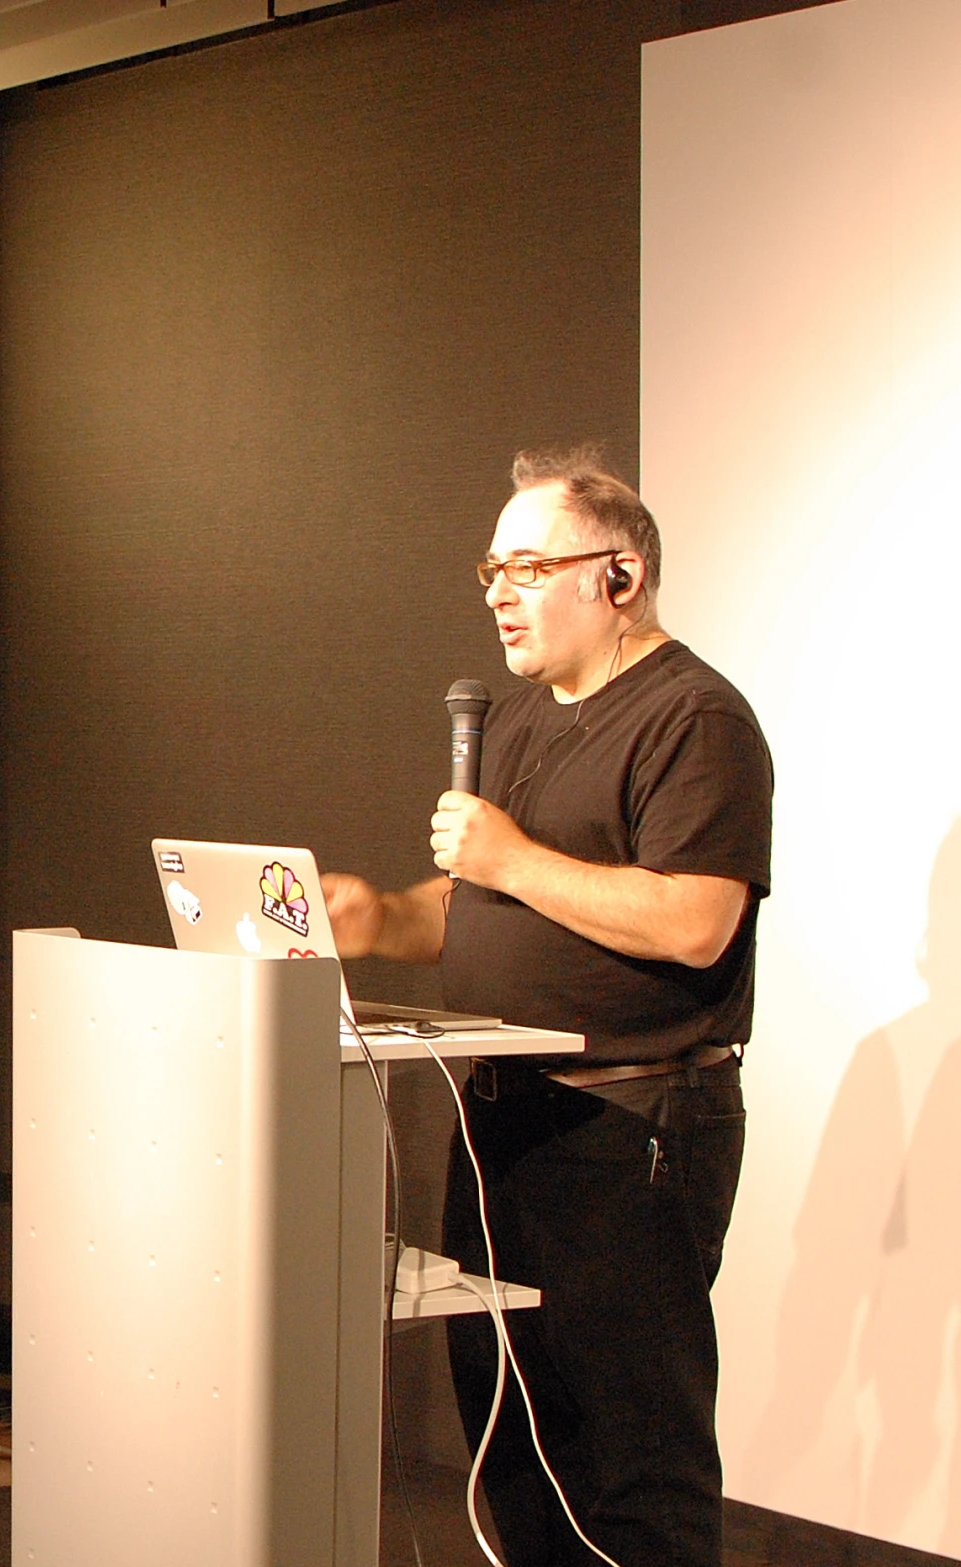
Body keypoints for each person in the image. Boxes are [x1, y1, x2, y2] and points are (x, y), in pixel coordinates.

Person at [324, 450, 772, 1567]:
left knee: (627, 1449)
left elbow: (692, 921)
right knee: (511, 1431)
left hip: (626, 1129)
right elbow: (477, 904)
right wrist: (380, 917)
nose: (495, 592)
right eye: (490, 568)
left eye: (527, 565)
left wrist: (511, 856)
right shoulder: (522, 722)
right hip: (502, 1120)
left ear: (616, 575)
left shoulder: (694, 718)